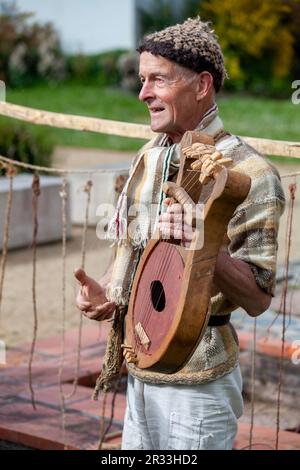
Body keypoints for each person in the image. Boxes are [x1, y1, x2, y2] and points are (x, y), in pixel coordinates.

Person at [75, 17, 285, 450]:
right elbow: (130, 250)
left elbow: (259, 299)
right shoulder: (148, 159)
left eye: (157, 80)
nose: (143, 93)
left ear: (202, 85)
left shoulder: (251, 173)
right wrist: (110, 295)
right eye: (141, 80)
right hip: (139, 366)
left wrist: (205, 243)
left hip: (198, 383)